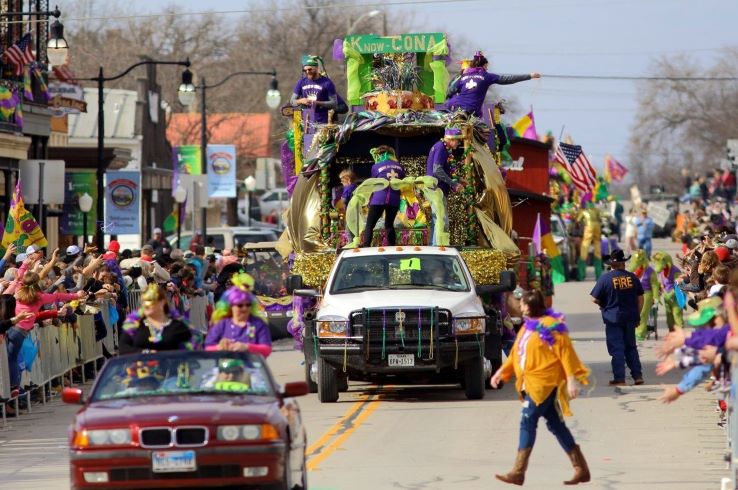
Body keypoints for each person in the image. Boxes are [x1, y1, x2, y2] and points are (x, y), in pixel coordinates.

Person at [490, 289, 590, 486]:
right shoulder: (527, 328)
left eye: (523, 304)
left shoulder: (552, 327)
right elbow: (516, 354)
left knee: (527, 421)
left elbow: (566, 353)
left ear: (531, 306)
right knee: (556, 425)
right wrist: (501, 371)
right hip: (530, 383)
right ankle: (581, 469)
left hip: (543, 385)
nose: (520, 307)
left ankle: (518, 472)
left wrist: (570, 380)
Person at [590, 249, 645, 386]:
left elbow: (594, 298)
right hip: (630, 318)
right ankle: (637, 376)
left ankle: (620, 378)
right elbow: (641, 298)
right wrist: (637, 315)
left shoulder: (605, 279)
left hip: (613, 318)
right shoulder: (633, 278)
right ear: (624, 263)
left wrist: (604, 305)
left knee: (617, 348)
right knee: (631, 347)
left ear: (611, 265)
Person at [445, 51, 540, 117]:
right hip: (471, 113)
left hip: (455, 110)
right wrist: (530, 76)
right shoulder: (486, 76)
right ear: (484, 65)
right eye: (487, 66)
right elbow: (508, 79)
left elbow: (450, 91)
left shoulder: (462, 77)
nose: (487, 68)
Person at [119, 283, 197, 354]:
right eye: (143, 301)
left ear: (162, 302)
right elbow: (123, 348)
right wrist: (146, 353)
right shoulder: (134, 325)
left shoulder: (177, 325)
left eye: (150, 300)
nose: (146, 304)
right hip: (141, 367)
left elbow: (193, 346)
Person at [205, 278, 272, 357]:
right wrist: (220, 347)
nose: (245, 308)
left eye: (248, 304)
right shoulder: (222, 324)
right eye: (240, 305)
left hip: (252, 367)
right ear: (231, 306)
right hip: (226, 367)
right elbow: (207, 348)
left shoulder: (258, 323)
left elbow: (267, 349)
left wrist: (247, 347)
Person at [426, 126, 464, 245]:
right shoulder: (441, 148)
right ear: (452, 139)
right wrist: (453, 183)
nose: (459, 143)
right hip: (437, 190)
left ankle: (434, 247)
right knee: (442, 220)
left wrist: (458, 179)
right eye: (458, 140)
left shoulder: (441, 147)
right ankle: (439, 249)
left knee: (436, 220)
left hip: (437, 189)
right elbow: (437, 170)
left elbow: (443, 170)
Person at [361, 146, 405, 247]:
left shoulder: (376, 166)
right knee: (389, 225)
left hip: (378, 198)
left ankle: (366, 245)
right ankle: (392, 246)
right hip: (394, 199)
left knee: (370, 225)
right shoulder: (400, 166)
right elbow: (402, 181)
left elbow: (373, 182)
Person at [291, 55, 337, 124]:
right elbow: (292, 101)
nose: (307, 72)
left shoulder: (327, 82)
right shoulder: (301, 82)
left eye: (309, 69)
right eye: (305, 70)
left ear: (316, 68)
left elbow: (334, 103)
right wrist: (301, 100)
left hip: (322, 122)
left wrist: (317, 103)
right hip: (306, 121)